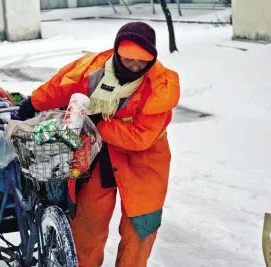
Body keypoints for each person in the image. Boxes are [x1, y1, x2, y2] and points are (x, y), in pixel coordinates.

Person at [19, 21, 180, 266]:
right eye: (128, 60)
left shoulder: (160, 86)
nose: (135, 66)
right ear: (117, 53)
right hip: (97, 157)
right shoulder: (93, 69)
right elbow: (62, 84)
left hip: (144, 163)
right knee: (87, 226)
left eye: (142, 61)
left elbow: (140, 136)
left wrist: (98, 124)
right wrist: (34, 103)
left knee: (140, 230)